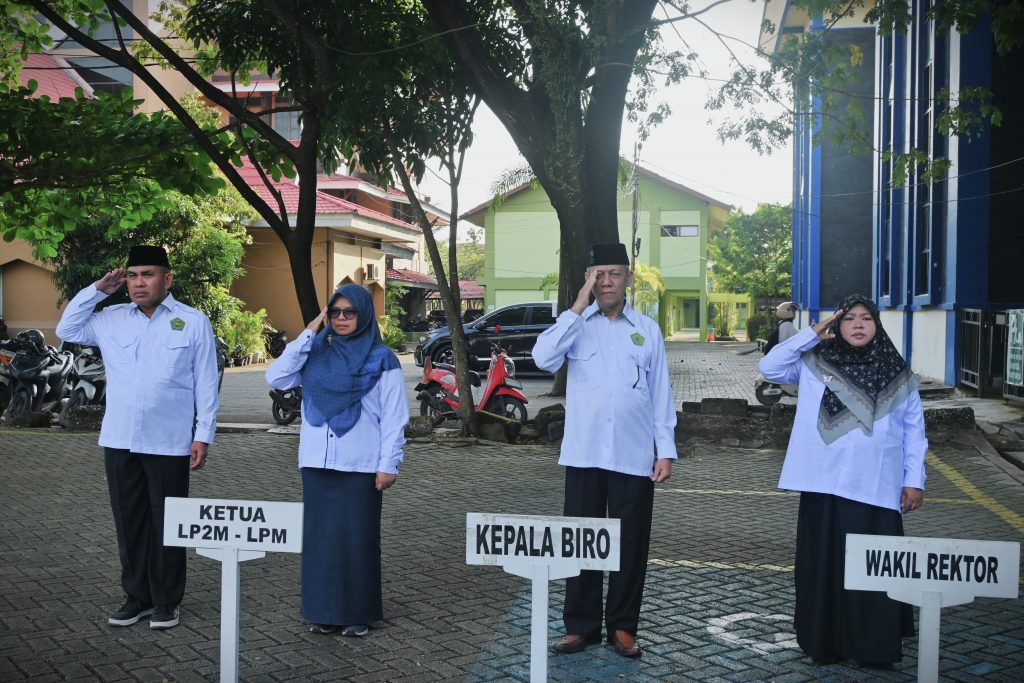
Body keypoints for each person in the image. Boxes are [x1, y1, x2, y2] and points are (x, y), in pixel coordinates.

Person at [55, 245, 220, 630]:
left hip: (169, 438)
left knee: (169, 522)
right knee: (129, 521)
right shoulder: (110, 319)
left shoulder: (192, 322)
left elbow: (206, 383)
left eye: (147, 274)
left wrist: (203, 435)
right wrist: (97, 290)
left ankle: (166, 600)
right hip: (120, 438)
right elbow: (67, 329)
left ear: (168, 278)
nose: (138, 282)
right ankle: (137, 596)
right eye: (132, 275)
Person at [759, 293, 926, 666]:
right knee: (824, 570)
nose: (858, 325)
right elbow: (770, 367)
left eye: (867, 318)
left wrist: (913, 480)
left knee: (874, 570)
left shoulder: (897, 373)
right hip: (824, 486)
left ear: (877, 325)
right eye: (849, 318)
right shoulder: (812, 362)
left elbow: (914, 431)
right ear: (838, 324)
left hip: (876, 488)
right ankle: (825, 643)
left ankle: (871, 647)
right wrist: (812, 333)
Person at [532, 243, 677, 659]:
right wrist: (575, 308)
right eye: (599, 274)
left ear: (629, 279)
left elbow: (660, 394)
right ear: (588, 280)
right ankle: (580, 628)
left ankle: (624, 627)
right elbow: (542, 358)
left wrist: (664, 449)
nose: (607, 281)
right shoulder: (576, 325)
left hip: (634, 455)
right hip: (584, 453)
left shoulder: (647, 330)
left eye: (615, 273)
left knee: (631, 545)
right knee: (581, 542)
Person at [266, 284, 408, 637]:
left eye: (350, 312)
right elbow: (276, 376)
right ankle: (322, 611)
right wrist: (310, 330)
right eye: (335, 312)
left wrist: (388, 464)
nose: (342, 319)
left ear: (364, 315)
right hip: (316, 463)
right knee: (319, 541)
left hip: (359, 463)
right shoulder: (314, 352)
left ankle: (357, 613)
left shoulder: (381, 359)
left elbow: (394, 417)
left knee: (356, 540)